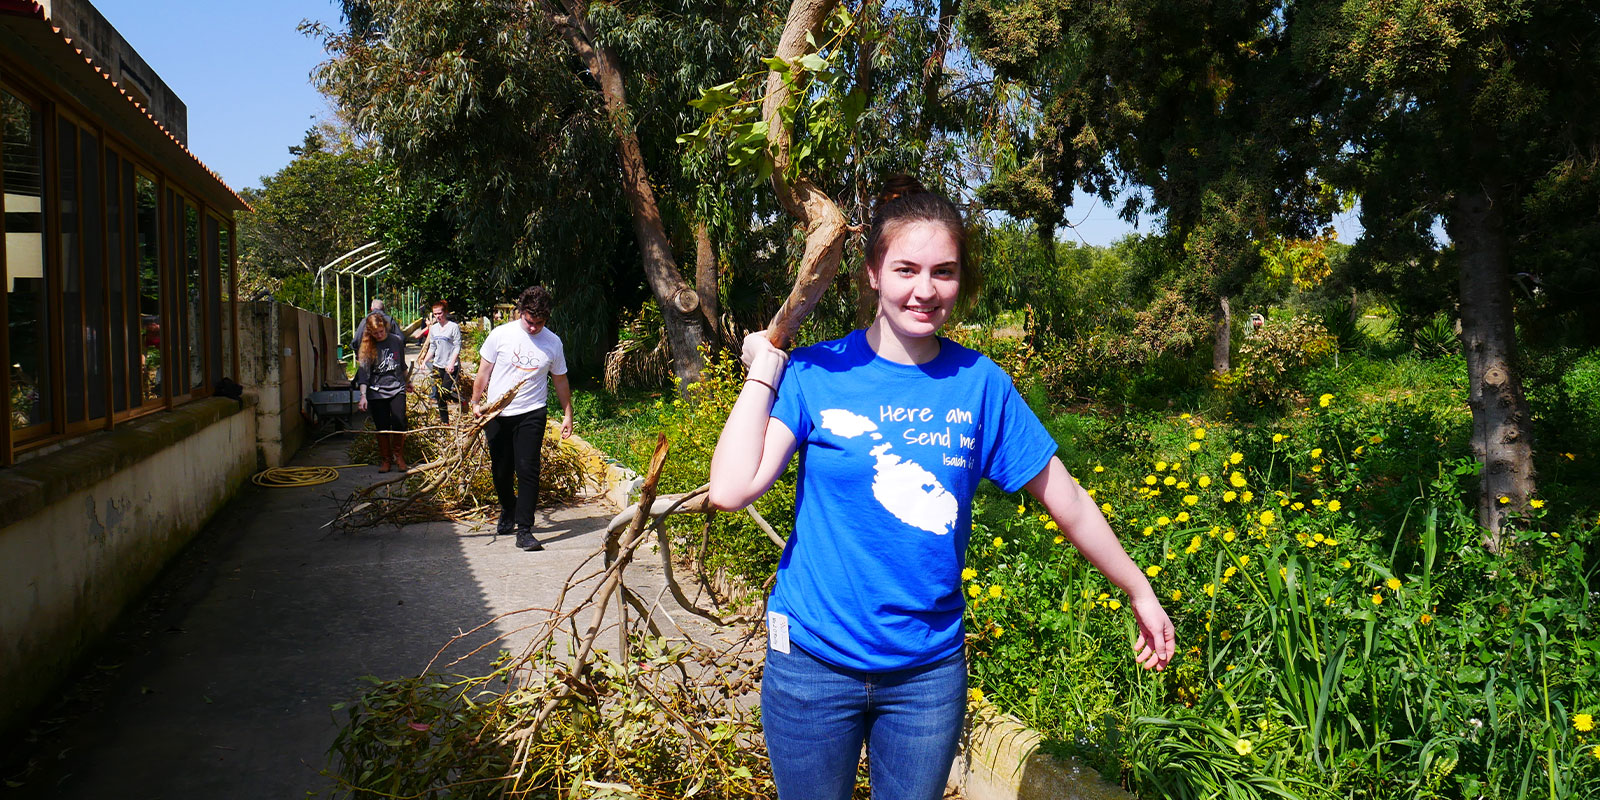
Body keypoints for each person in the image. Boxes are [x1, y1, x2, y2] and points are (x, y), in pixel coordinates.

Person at [707, 176, 1175, 800]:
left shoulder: (979, 384)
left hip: (925, 676)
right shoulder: (818, 372)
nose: (925, 291)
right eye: (906, 269)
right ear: (873, 273)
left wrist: (1138, 588)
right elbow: (732, 488)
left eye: (944, 272)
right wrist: (768, 362)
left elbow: (1069, 500)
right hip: (813, 665)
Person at [470, 286, 574, 552]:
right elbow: (483, 372)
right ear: (520, 312)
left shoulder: (553, 343)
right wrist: (475, 402)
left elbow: (560, 379)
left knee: (528, 469)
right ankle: (508, 507)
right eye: (529, 321)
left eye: (539, 323)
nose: (533, 328)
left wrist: (567, 413)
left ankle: (524, 529)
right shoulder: (500, 335)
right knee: (501, 470)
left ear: (547, 319)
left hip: (532, 411)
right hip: (497, 411)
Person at [354, 312, 413, 473]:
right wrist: (363, 396)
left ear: (385, 327)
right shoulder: (367, 347)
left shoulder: (396, 340)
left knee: (400, 421)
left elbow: (401, 365)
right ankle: (386, 460)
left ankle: (398, 456)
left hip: (397, 387)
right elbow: (364, 375)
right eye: (375, 333)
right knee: (382, 426)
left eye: (381, 331)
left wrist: (408, 382)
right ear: (370, 333)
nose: (379, 335)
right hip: (376, 391)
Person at [413, 300, 464, 423]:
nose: (438, 316)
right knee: (438, 395)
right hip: (438, 365)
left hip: (451, 365)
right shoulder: (434, 329)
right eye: (435, 314)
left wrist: (451, 363)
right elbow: (432, 347)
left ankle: (461, 400)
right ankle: (444, 421)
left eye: (440, 313)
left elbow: (457, 346)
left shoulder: (453, 327)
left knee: (445, 392)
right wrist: (425, 361)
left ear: (445, 312)